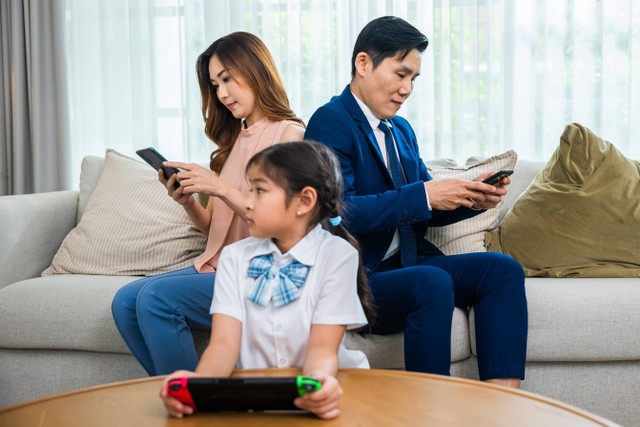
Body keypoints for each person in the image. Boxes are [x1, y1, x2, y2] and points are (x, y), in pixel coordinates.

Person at [304, 16, 528, 388]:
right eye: (401, 74)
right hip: (361, 277)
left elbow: (424, 207)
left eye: (414, 79)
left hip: (411, 263)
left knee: (502, 270)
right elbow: (337, 214)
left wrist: (470, 199)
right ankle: (429, 409)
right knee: (432, 281)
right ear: (363, 64)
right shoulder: (330, 122)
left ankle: (501, 404)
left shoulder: (400, 130)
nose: (407, 88)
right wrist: (425, 194)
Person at [111, 32, 305, 376]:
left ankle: (196, 404)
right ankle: (181, 394)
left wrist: (218, 186)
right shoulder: (232, 142)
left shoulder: (289, 135)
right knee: (124, 302)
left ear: (256, 69)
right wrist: (187, 201)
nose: (222, 94)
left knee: (156, 298)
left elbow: (283, 223)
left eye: (227, 79)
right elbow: (216, 230)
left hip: (260, 272)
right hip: (218, 265)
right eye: (215, 85)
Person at [160, 141, 375, 419]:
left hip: (330, 392)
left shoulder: (337, 255)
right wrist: (197, 389)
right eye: (249, 190)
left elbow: (322, 348)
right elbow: (223, 345)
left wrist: (316, 389)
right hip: (256, 401)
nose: (247, 202)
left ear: (304, 201)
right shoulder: (234, 257)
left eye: (259, 191)